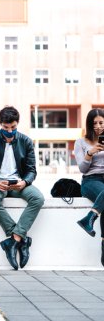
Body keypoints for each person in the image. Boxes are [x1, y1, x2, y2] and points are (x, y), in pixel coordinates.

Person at [0, 106, 44, 270]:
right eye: (6, 128)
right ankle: (21, 238)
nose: (9, 131)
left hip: (18, 183)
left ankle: (13, 241)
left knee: (38, 198)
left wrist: (25, 182)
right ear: (0, 124)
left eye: (13, 127)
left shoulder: (25, 141)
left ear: (17, 123)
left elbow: (32, 170)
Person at [74, 108, 104, 266]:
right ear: (89, 125)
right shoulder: (81, 142)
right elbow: (82, 169)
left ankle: (89, 219)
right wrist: (90, 153)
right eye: (95, 123)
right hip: (90, 180)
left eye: (101, 122)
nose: (98, 126)